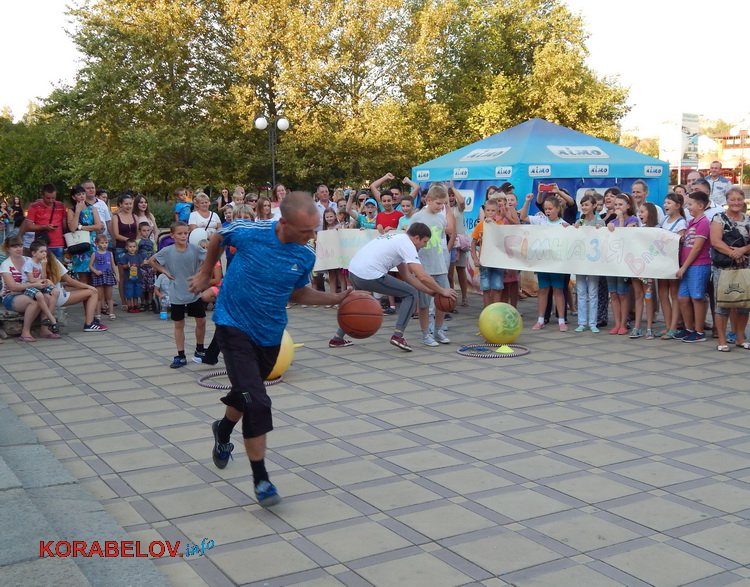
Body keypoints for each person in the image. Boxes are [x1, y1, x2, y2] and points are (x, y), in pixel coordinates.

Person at [188, 192, 351, 507]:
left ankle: (223, 430)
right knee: (258, 401)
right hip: (233, 325)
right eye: (305, 231)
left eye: (314, 230)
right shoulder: (251, 232)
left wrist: (335, 299)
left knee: (246, 394)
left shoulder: (305, 255)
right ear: (284, 223)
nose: (311, 236)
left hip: (270, 335)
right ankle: (261, 479)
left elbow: (298, 293)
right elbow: (219, 236)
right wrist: (207, 271)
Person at [328, 221, 457, 351]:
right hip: (369, 274)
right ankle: (398, 336)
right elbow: (421, 275)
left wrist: (431, 292)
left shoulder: (398, 238)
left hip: (354, 272)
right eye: (425, 241)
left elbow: (407, 276)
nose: (425, 245)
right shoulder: (407, 244)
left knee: (357, 306)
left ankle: (337, 338)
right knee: (411, 294)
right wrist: (442, 291)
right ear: (416, 238)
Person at [149, 222, 206, 367]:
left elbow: (208, 259)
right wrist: (164, 271)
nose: (183, 236)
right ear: (173, 235)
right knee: (179, 324)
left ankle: (200, 349)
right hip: (176, 293)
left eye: (186, 233)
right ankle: (180, 355)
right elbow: (152, 261)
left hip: (194, 291)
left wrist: (200, 273)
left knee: (201, 321)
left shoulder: (195, 249)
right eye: (180, 233)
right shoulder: (167, 251)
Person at [409, 184, 455, 346]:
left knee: (444, 299)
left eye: (443, 203)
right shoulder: (417, 217)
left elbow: (442, 240)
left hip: (440, 266)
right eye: (438, 203)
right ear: (428, 200)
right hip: (424, 267)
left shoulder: (441, 218)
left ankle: (438, 330)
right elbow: (410, 240)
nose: (441, 206)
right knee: (424, 304)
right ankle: (425, 334)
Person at [520, 193, 570, 331]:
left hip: (556, 264)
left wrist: (570, 229)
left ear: (557, 209)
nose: (547, 211)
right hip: (542, 263)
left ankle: (561, 320)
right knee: (543, 290)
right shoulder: (540, 220)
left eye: (550, 208)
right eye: (546, 208)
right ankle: (540, 320)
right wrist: (527, 201)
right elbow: (523, 217)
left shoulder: (563, 224)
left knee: (558, 290)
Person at [709, 186, 750, 352]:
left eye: (739, 199)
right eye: (732, 199)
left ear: (743, 201)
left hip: (744, 267)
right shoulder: (719, 218)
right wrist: (733, 253)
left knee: (744, 303)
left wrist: (743, 250)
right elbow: (715, 241)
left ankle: (740, 338)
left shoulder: (748, 219)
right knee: (722, 304)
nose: (736, 202)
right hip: (723, 267)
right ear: (727, 201)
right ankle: (722, 340)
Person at [674, 191, 711, 343]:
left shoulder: (704, 222)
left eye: (690, 204)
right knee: (683, 297)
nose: (688, 207)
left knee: (697, 297)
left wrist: (684, 266)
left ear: (700, 206)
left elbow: (697, 248)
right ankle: (689, 328)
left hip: (699, 265)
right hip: (688, 265)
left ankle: (699, 331)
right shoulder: (691, 222)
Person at [45, 251, 108, 332]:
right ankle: (89, 324)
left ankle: (91, 318)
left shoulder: (33, 262)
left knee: (85, 290)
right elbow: (70, 281)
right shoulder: (52, 260)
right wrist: (89, 286)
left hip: (54, 293)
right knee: (93, 292)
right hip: (57, 296)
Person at [604, 193, 638, 335]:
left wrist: (621, 220)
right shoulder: (612, 222)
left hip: (624, 262)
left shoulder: (633, 220)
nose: (618, 207)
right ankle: (617, 323)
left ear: (628, 206)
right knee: (613, 293)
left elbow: (625, 237)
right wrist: (609, 225)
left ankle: (624, 323)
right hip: (612, 263)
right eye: (616, 204)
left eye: (621, 204)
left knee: (623, 294)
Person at [1, 236, 43, 341]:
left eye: (20, 246)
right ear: (8, 248)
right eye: (14, 246)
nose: (19, 249)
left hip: (28, 292)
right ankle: (25, 332)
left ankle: (45, 328)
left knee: (46, 297)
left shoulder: (28, 260)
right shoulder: (5, 265)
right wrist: (33, 284)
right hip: (10, 296)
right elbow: (13, 287)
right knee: (34, 302)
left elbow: (39, 277)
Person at [573, 193, 604, 332]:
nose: (584, 207)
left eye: (587, 205)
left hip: (593, 262)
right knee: (580, 291)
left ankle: (592, 323)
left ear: (594, 206)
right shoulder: (580, 221)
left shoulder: (600, 222)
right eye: (582, 205)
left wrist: (600, 229)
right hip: (580, 261)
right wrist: (573, 228)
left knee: (592, 292)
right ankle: (581, 322)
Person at [658, 193, 687, 339]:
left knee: (674, 295)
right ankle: (667, 325)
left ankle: (674, 326)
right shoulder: (664, 219)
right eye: (665, 203)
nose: (666, 205)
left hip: (673, 262)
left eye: (669, 203)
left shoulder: (681, 223)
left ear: (678, 205)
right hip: (661, 261)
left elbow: (680, 242)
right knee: (662, 294)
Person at [629, 203, 659, 339]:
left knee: (648, 297)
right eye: (639, 212)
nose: (640, 215)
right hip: (636, 269)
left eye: (642, 212)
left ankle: (649, 327)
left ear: (650, 213)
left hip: (648, 270)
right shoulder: (638, 229)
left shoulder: (657, 229)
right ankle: (637, 327)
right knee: (638, 296)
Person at [23, 240, 61, 337]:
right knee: (40, 295)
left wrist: (44, 266)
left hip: (39, 285)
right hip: (28, 286)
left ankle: (46, 319)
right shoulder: (29, 263)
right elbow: (31, 280)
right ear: (34, 253)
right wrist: (42, 282)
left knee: (55, 291)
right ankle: (51, 318)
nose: (44, 253)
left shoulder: (41, 263)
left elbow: (43, 277)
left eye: (45, 251)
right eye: (41, 251)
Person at [19, 184, 67, 259]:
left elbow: (65, 224)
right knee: (41, 266)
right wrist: (44, 227)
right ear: (42, 195)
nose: (51, 200)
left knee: (57, 266)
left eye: (53, 198)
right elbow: (28, 226)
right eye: (48, 198)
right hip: (41, 245)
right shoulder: (34, 206)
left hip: (58, 244)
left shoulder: (60, 206)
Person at [471, 199, 504, 308]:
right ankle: (487, 310)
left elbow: (503, 240)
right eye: (488, 210)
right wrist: (475, 258)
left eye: (493, 210)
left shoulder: (501, 224)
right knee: (485, 287)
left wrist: (493, 224)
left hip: (497, 261)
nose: (490, 213)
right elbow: (473, 242)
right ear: (484, 211)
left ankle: (496, 310)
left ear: (497, 211)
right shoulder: (480, 225)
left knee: (497, 287)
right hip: (484, 261)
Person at [66, 185, 102, 285]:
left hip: (92, 244)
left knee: (94, 277)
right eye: (79, 194)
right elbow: (72, 228)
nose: (82, 196)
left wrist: (81, 227)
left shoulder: (92, 208)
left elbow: (98, 226)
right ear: (74, 197)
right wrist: (77, 211)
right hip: (79, 245)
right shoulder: (71, 210)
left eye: (83, 194)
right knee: (83, 278)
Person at [448, 186, 469, 307]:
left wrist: (452, 188)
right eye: (449, 195)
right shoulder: (442, 210)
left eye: (452, 195)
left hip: (460, 243)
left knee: (461, 270)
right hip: (449, 243)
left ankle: (465, 297)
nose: (451, 198)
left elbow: (461, 201)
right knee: (449, 275)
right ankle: (452, 300)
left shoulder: (458, 209)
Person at [90, 234, 118, 320]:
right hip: (99, 276)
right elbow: (90, 266)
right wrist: (95, 271)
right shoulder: (95, 254)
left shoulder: (110, 254)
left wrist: (117, 275)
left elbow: (113, 265)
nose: (105, 245)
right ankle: (98, 314)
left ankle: (111, 313)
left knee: (109, 296)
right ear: (97, 244)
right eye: (102, 243)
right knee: (99, 297)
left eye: (106, 242)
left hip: (108, 275)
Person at [83, 181, 113, 246]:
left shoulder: (102, 203)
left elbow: (108, 222)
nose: (91, 190)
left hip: (103, 242)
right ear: (83, 190)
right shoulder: (81, 204)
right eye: (88, 188)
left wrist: (113, 238)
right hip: (87, 241)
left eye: (93, 188)